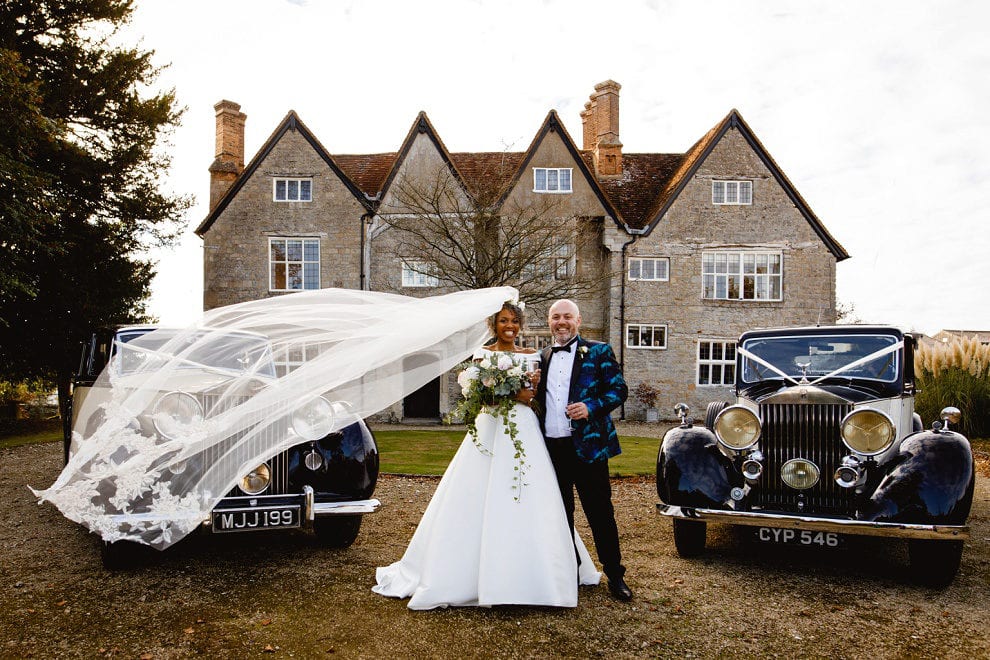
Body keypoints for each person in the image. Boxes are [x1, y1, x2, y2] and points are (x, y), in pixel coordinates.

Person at [372, 302, 601, 610]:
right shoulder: (483, 354)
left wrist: (529, 394)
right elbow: (477, 393)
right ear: (494, 324)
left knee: (532, 492)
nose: (510, 326)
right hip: (491, 425)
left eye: (514, 321)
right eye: (504, 321)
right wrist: (512, 394)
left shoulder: (533, 356)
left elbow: (539, 396)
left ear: (520, 324)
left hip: (524, 428)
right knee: (475, 491)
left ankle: (542, 574)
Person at [535, 299, 633, 601]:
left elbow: (619, 391)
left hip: (588, 447)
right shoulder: (541, 356)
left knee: (600, 513)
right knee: (560, 514)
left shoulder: (599, 350)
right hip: (551, 448)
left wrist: (590, 407)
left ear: (578, 320)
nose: (561, 322)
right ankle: (570, 570)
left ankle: (615, 575)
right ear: (549, 322)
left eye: (567, 317)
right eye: (555, 317)